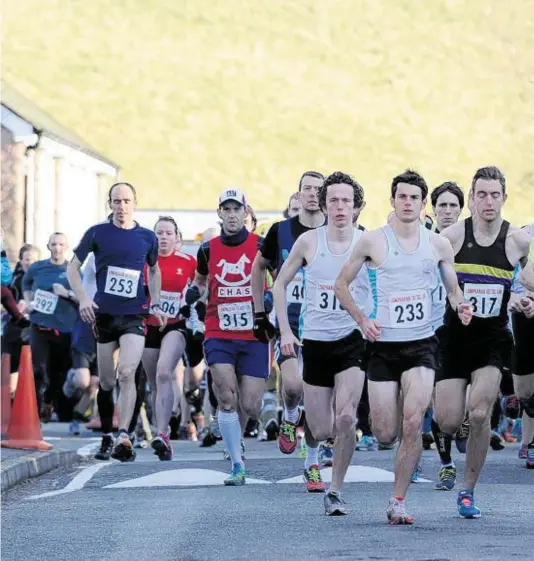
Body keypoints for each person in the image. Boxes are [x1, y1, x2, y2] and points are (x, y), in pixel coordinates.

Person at [334, 169, 472, 525]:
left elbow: (452, 287)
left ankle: (398, 500)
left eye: (414, 197)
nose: (408, 203)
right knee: (385, 432)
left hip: (422, 344)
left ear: (422, 204)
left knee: (413, 422)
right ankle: (398, 452)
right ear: (392, 201)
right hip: (383, 345)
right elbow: (341, 285)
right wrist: (363, 321)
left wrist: (461, 305)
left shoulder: (438, 244)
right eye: (402, 197)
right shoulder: (373, 242)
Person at [435, 166, 533, 517]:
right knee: (448, 420)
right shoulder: (453, 236)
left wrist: (523, 300)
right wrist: (457, 298)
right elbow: (440, 277)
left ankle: (467, 491)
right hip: (456, 336)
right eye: (481, 195)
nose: (488, 201)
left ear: (504, 198)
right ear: (472, 200)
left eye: (495, 195)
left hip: (492, 337)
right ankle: (455, 424)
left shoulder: (518, 240)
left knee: (479, 413)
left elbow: (530, 279)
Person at [274, 171, 369, 514]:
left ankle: (336, 490)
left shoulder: (367, 241)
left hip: (352, 341)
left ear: (356, 206)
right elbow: (279, 285)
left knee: (346, 419)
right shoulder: (309, 242)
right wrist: (285, 330)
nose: (340, 207)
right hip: (315, 341)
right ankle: (302, 430)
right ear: (324, 204)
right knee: (320, 427)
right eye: (334, 200)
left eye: (346, 201)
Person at [67, 182, 165, 462]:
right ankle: (108, 433)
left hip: (134, 314)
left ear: (135, 203)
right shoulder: (97, 233)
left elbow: (155, 270)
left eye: (126, 201)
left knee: (127, 372)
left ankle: (124, 434)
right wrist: (84, 298)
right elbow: (72, 268)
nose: (121, 207)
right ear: (109, 204)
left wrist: (154, 300)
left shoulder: (147, 237)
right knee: (107, 381)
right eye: (116, 201)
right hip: (105, 315)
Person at [185, 188, 270, 485]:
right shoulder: (207, 249)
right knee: (226, 396)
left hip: (253, 333)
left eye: (237, 209)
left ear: (246, 213)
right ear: (219, 213)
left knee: (251, 404)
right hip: (218, 331)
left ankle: (238, 440)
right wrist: (195, 293)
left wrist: (269, 300)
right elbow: (201, 279)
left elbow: (277, 278)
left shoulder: (261, 245)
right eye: (227, 209)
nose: (232, 215)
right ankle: (237, 464)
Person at [251, 171, 328, 491]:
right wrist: (259, 314)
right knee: (294, 387)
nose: (312, 194)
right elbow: (258, 267)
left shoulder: (335, 231)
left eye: (317, 190)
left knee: (317, 396)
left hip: (325, 323)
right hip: (288, 323)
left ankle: (311, 462)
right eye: (306, 189)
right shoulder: (281, 232)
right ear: (298, 195)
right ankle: (289, 415)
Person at [142, 216, 196, 461]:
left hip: (176, 325)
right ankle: (160, 430)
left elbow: (201, 289)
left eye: (168, 233)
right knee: (155, 381)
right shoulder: (144, 262)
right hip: (148, 326)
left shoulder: (188, 262)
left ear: (177, 238)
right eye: (159, 233)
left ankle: (163, 433)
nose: (163, 237)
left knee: (165, 372)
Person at [425, 181, 467, 489]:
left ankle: (465, 418)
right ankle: (447, 464)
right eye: (442, 206)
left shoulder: (470, 242)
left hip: (468, 328)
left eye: (453, 206)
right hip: (434, 329)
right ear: (434, 209)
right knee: (436, 401)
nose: (448, 211)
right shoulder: (424, 242)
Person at [23, 233, 78, 421]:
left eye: (61, 244)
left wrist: (67, 293)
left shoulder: (73, 270)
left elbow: (84, 297)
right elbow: (26, 282)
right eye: (54, 244)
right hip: (40, 325)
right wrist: (29, 301)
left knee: (57, 373)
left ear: (67, 247)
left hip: (64, 329)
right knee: (36, 369)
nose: (57, 248)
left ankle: (48, 401)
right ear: (48, 246)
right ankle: (34, 411)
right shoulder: (38, 267)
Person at [510, 223, 534, 468]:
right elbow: (517, 277)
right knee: (527, 392)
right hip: (525, 314)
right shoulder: (523, 235)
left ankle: (530, 443)